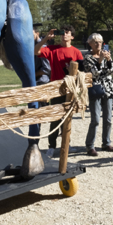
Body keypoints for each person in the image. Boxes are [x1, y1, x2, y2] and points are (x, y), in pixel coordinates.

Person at [44, 25, 85, 156]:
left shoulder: (76, 52)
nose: (64, 35)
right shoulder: (52, 49)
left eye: (67, 33)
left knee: (67, 117)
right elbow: (35, 51)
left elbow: (82, 71)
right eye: (62, 33)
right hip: (57, 88)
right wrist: (46, 38)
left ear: (72, 36)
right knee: (55, 117)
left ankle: (66, 144)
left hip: (71, 88)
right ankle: (51, 146)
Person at [82, 34, 113, 155]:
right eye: (95, 42)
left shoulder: (105, 54)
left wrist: (108, 60)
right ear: (90, 43)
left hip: (108, 90)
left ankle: (106, 143)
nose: (98, 44)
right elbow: (93, 74)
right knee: (95, 119)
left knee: (108, 119)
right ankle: (90, 145)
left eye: (100, 42)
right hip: (95, 91)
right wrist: (100, 60)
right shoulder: (87, 58)